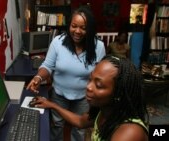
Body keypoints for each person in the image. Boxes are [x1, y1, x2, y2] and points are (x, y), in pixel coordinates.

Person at [26, 6, 106, 141]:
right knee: (56, 126)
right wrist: (38, 77)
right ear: (69, 25)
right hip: (59, 94)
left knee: (79, 130)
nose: (77, 31)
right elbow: (47, 65)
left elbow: (100, 75)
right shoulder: (58, 42)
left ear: (90, 29)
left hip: (84, 97)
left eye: (83, 28)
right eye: (74, 26)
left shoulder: (98, 47)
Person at [31, 55, 149, 141]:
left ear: (119, 93)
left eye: (98, 85)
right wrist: (52, 105)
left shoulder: (130, 132)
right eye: (90, 79)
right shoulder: (104, 111)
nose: (88, 87)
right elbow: (80, 121)